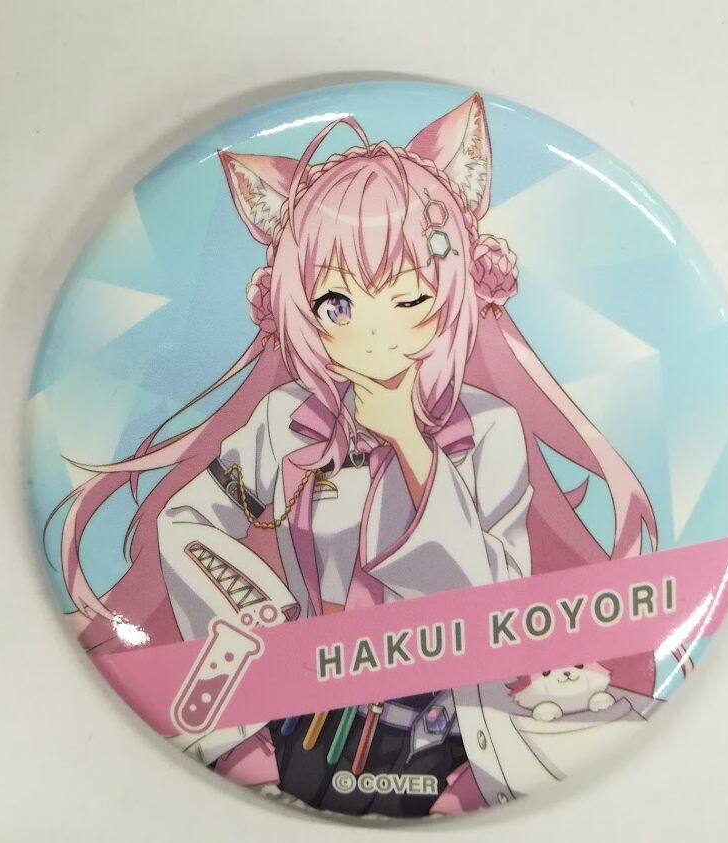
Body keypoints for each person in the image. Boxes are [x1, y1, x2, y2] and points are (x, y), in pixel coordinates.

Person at [50, 94, 658, 817]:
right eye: (336, 305)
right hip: (303, 705)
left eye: (410, 300)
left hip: (454, 720)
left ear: (453, 294)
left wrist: (411, 444)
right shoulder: (290, 428)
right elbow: (193, 520)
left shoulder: (487, 431)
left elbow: (491, 597)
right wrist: (257, 617)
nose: (374, 335)